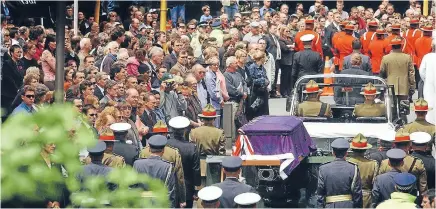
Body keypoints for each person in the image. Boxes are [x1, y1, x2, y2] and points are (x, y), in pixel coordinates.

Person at [140, 122, 186, 208]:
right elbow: (180, 178)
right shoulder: (173, 153)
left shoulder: (144, 152)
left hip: (145, 197)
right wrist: (182, 199)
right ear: (166, 135)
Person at [378, 129, 427, 194]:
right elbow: (423, 188)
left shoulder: (385, 163)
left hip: (389, 199)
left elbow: (379, 184)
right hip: (411, 200)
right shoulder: (417, 163)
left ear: (394, 144)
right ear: (410, 144)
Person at [316, 138, 363, 208]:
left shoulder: (323, 168)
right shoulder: (353, 168)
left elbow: (320, 193)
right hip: (348, 206)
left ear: (333, 153)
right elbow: (357, 193)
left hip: (330, 206)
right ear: (346, 153)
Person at [133, 135, 176, 208]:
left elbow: (132, 187)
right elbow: (170, 193)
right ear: (163, 150)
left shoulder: (137, 164)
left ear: (149, 149)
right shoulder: (168, 167)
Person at [167, 116, 201, 208]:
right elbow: (196, 170)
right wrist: (196, 189)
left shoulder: (165, 144)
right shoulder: (191, 147)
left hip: (168, 187)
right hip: (187, 188)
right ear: (185, 130)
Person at [347, 133, 378, 208]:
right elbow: (375, 184)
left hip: (350, 198)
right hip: (367, 199)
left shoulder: (347, 163)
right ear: (365, 149)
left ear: (352, 149)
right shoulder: (373, 164)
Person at [277, 25, 295, 97]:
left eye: (289, 31)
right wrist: (290, 47)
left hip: (292, 59)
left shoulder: (291, 38)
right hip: (285, 61)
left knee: (290, 77)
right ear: (282, 32)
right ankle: (283, 92)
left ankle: (289, 91)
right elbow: (284, 48)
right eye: (286, 31)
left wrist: (289, 46)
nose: (288, 32)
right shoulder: (280, 39)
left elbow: (295, 46)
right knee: (284, 77)